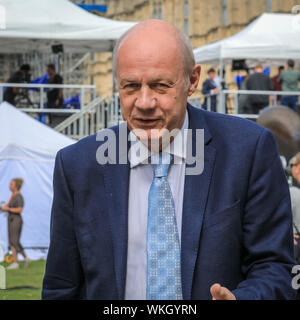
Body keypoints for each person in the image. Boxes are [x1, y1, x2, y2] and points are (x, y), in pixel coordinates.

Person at [42, 20, 296, 300]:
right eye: (130, 86)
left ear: (193, 80)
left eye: (160, 85)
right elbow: (61, 285)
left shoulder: (248, 151)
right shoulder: (78, 165)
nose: (144, 102)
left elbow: (275, 268)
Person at [1, 178, 30, 269]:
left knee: (14, 241)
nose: (10, 186)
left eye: (11, 184)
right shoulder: (12, 195)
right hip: (11, 219)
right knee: (12, 241)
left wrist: (8, 209)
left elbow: (20, 209)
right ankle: (21, 259)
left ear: (16, 186)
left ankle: (16, 262)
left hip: (16, 220)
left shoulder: (19, 196)